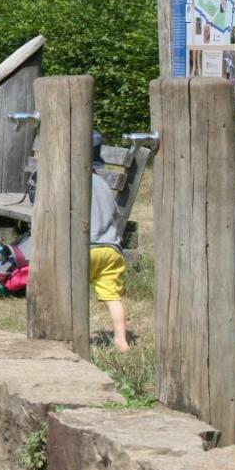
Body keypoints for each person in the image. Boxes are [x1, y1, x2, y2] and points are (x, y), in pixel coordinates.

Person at [89, 130, 130, 352]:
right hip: (111, 249)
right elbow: (114, 213)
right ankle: (121, 339)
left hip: (84, 249)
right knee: (112, 296)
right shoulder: (103, 185)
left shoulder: (71, 183)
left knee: (65, 287)